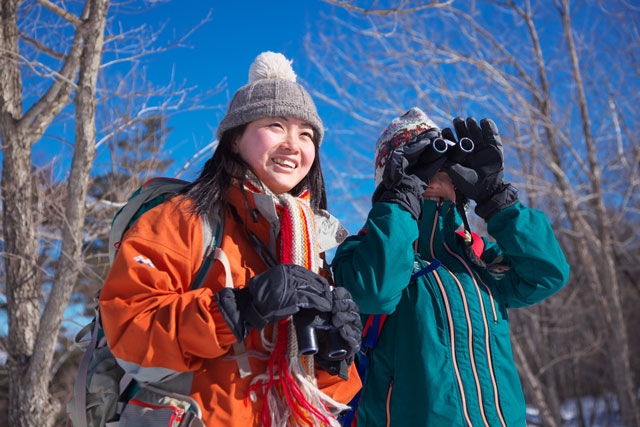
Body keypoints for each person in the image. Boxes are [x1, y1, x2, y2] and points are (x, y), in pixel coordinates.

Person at [99, 52, 362, 427]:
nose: (293, 144)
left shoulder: (309, 246)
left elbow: (323, 400)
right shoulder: (181, 218)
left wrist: (334, 359)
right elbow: (129, 335)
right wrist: (238, 309)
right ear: (235, 139)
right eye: (276, 125)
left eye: (306, 134)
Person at [332, 108, 570, 426]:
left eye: (441, 169)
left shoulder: (477, 255)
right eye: (417, 170)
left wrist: (497, 198)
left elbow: (547, 275)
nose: (430, 180)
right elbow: (376, 291)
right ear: (387, 181)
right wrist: (401, 198)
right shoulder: (362, 253)